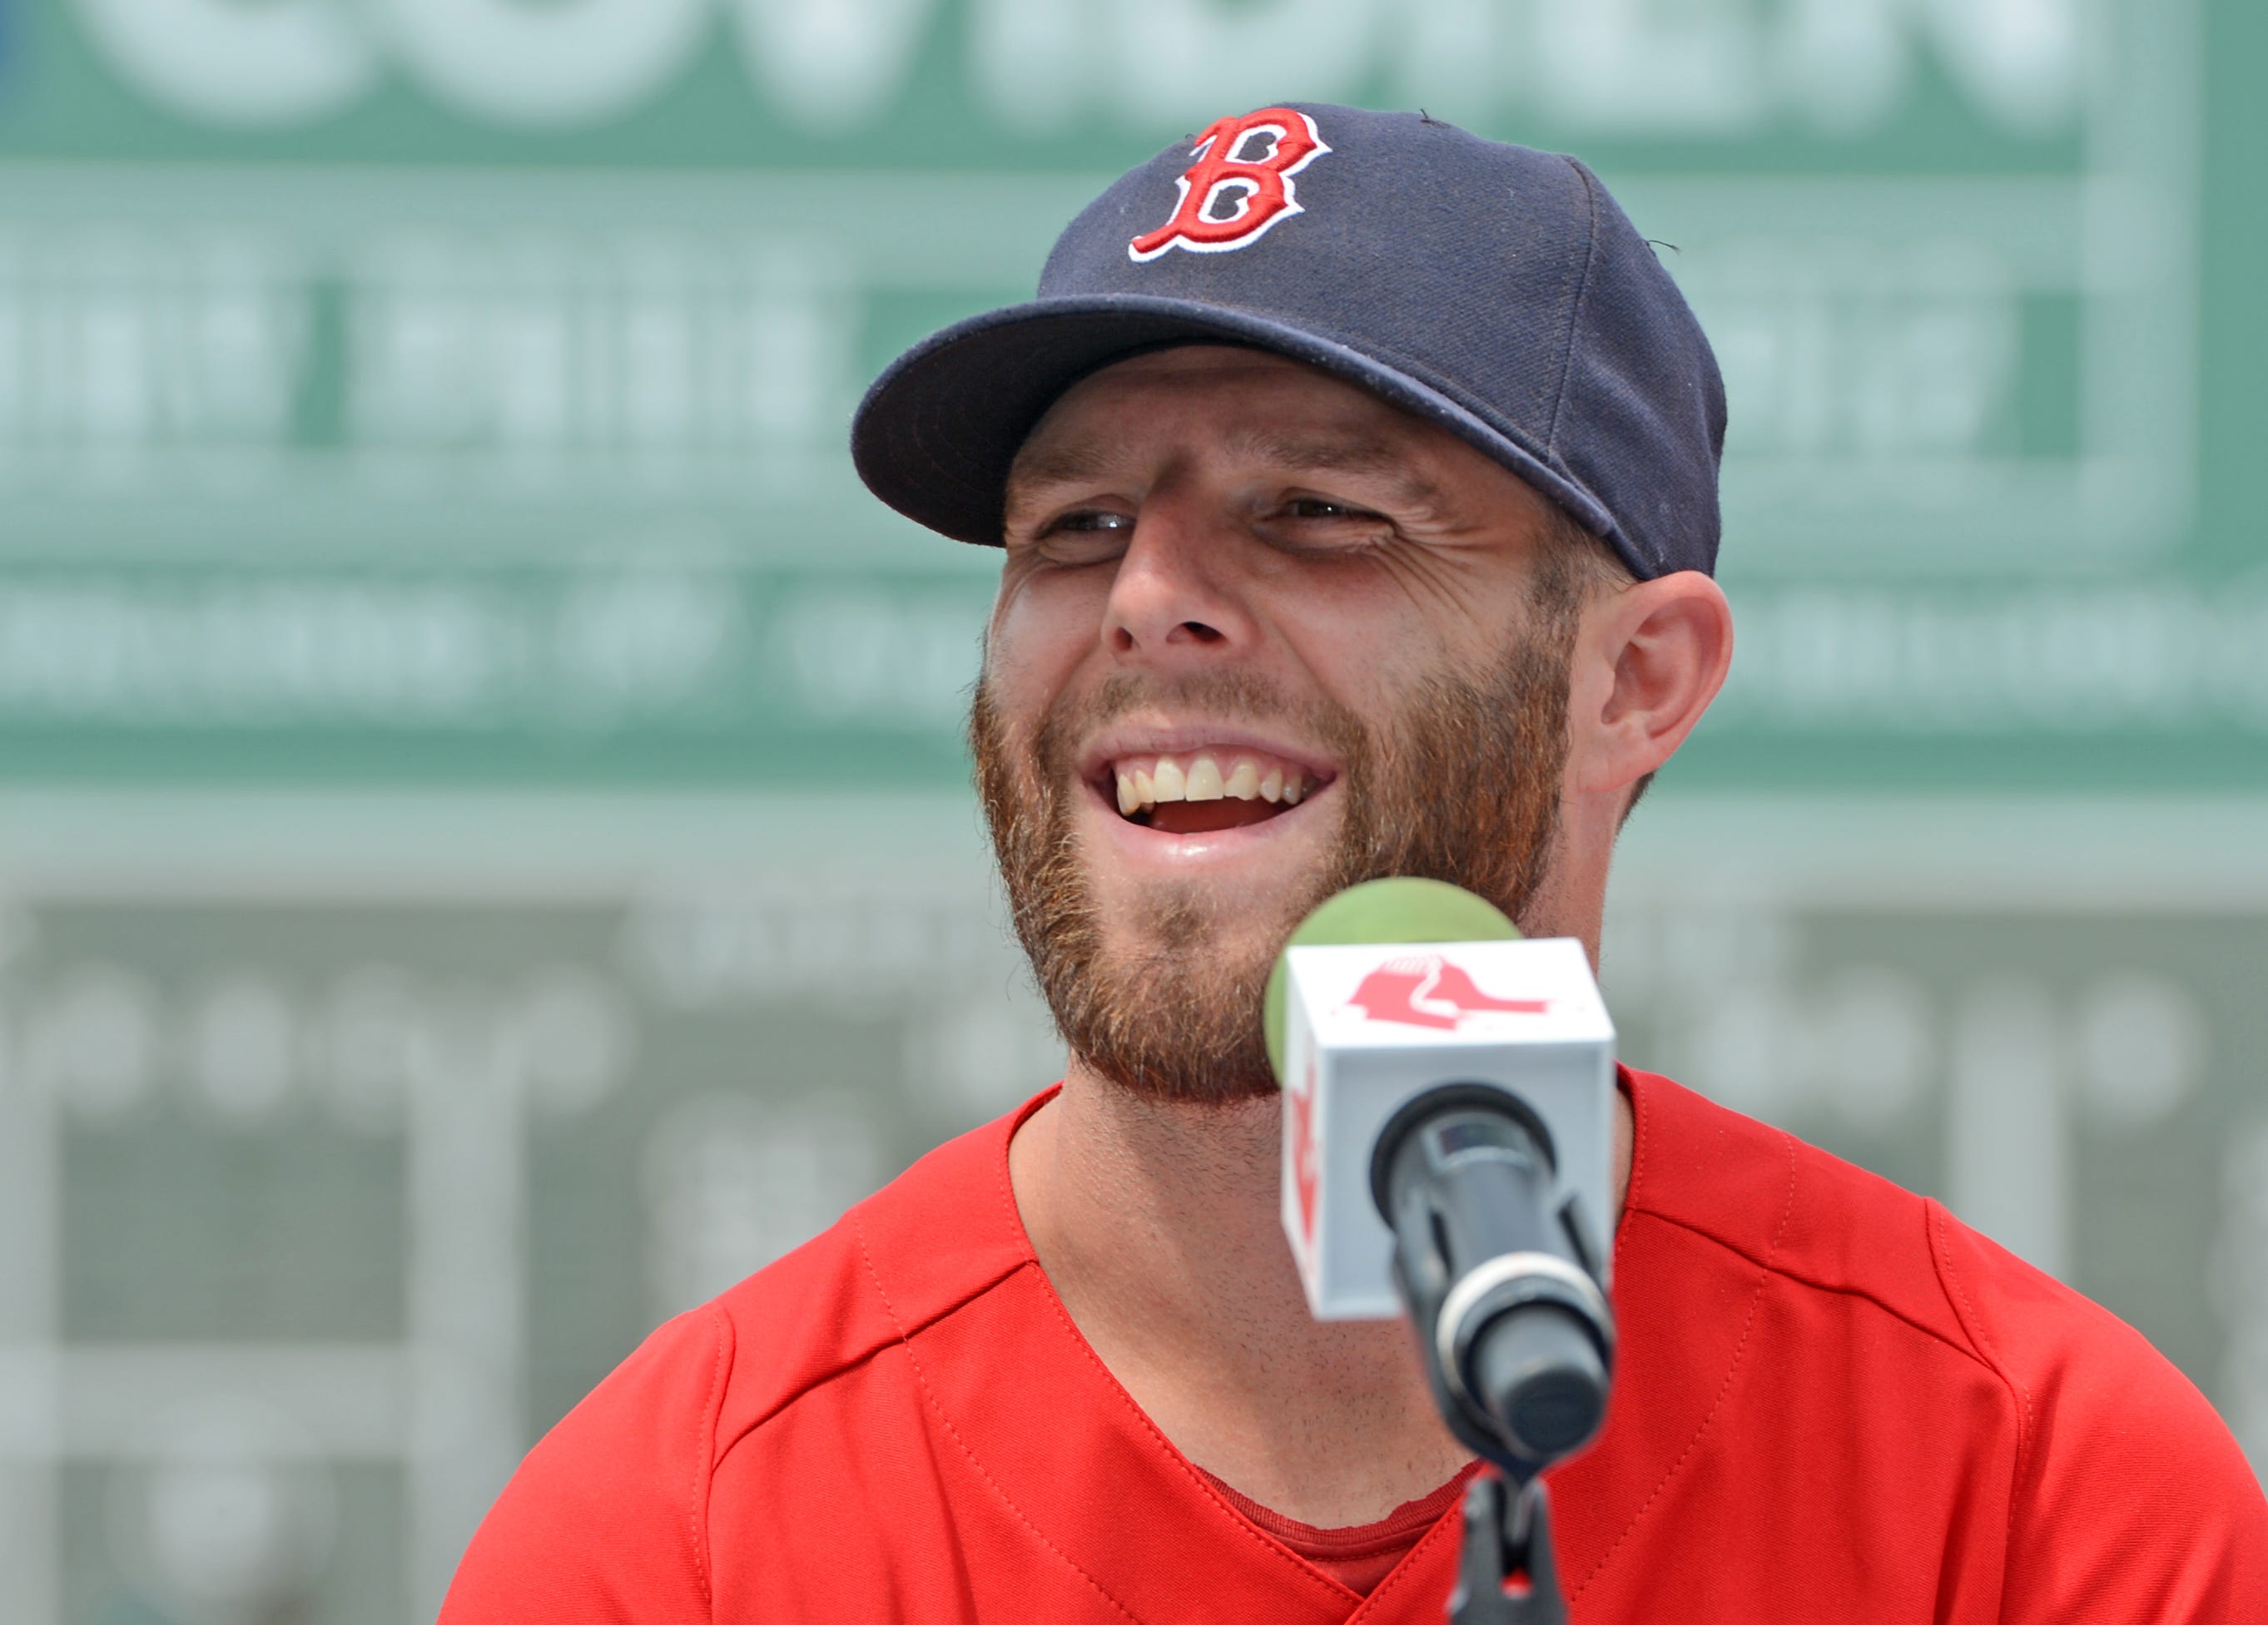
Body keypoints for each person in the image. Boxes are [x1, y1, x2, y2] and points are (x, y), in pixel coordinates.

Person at [440, 103, 2268, 1622]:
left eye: (1315, 510)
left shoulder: (2030, 1494)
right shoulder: (679, 1533)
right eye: (1071, 526)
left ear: (1634, 679)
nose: (1148, 596)